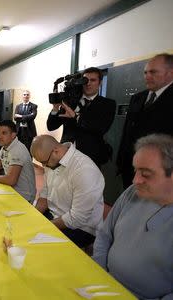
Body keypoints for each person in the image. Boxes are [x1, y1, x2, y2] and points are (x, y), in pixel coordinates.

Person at [93, 134, 173, 299]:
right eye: (136, 170)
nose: (135, 180)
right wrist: (98, 274)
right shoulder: (132, 193)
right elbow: (104, 234)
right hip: (103, 284)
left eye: (146, 174)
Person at [31, 135, 104, 248]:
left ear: (56, 151)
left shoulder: (84, 170)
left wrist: (44, 226)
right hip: (55, 215)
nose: (43, 166)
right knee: (24, 230)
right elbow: (44, 195)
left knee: (38, 248)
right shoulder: (51, 160)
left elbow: (77, 218)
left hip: (81, 228)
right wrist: (33, 216)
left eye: (44, 162)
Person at [117, 53, 173, 188]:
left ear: (170, 73)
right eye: (145, 72)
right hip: (130, 167)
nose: (147, 76)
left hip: (158, 173)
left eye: (153, 72)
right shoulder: (138, 98)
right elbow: (127, 132)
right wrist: (120, 160)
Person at [47, 67, 116, 168]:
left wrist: (76, 116)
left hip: (90, 158)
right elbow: (51, 126)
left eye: (93, 80)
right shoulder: (71, 102)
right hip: (65, 155)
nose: (88, 83)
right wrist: (55, 109)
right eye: (85, 80)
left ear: (100, 82)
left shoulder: (108, 104)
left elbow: (100, 128)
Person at [0, 120, 36, 203]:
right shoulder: (5, 147)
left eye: (4, 133)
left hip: (23, 196)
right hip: (12, 190)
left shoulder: (17, 150)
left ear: (13, 135)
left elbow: (11, 180)